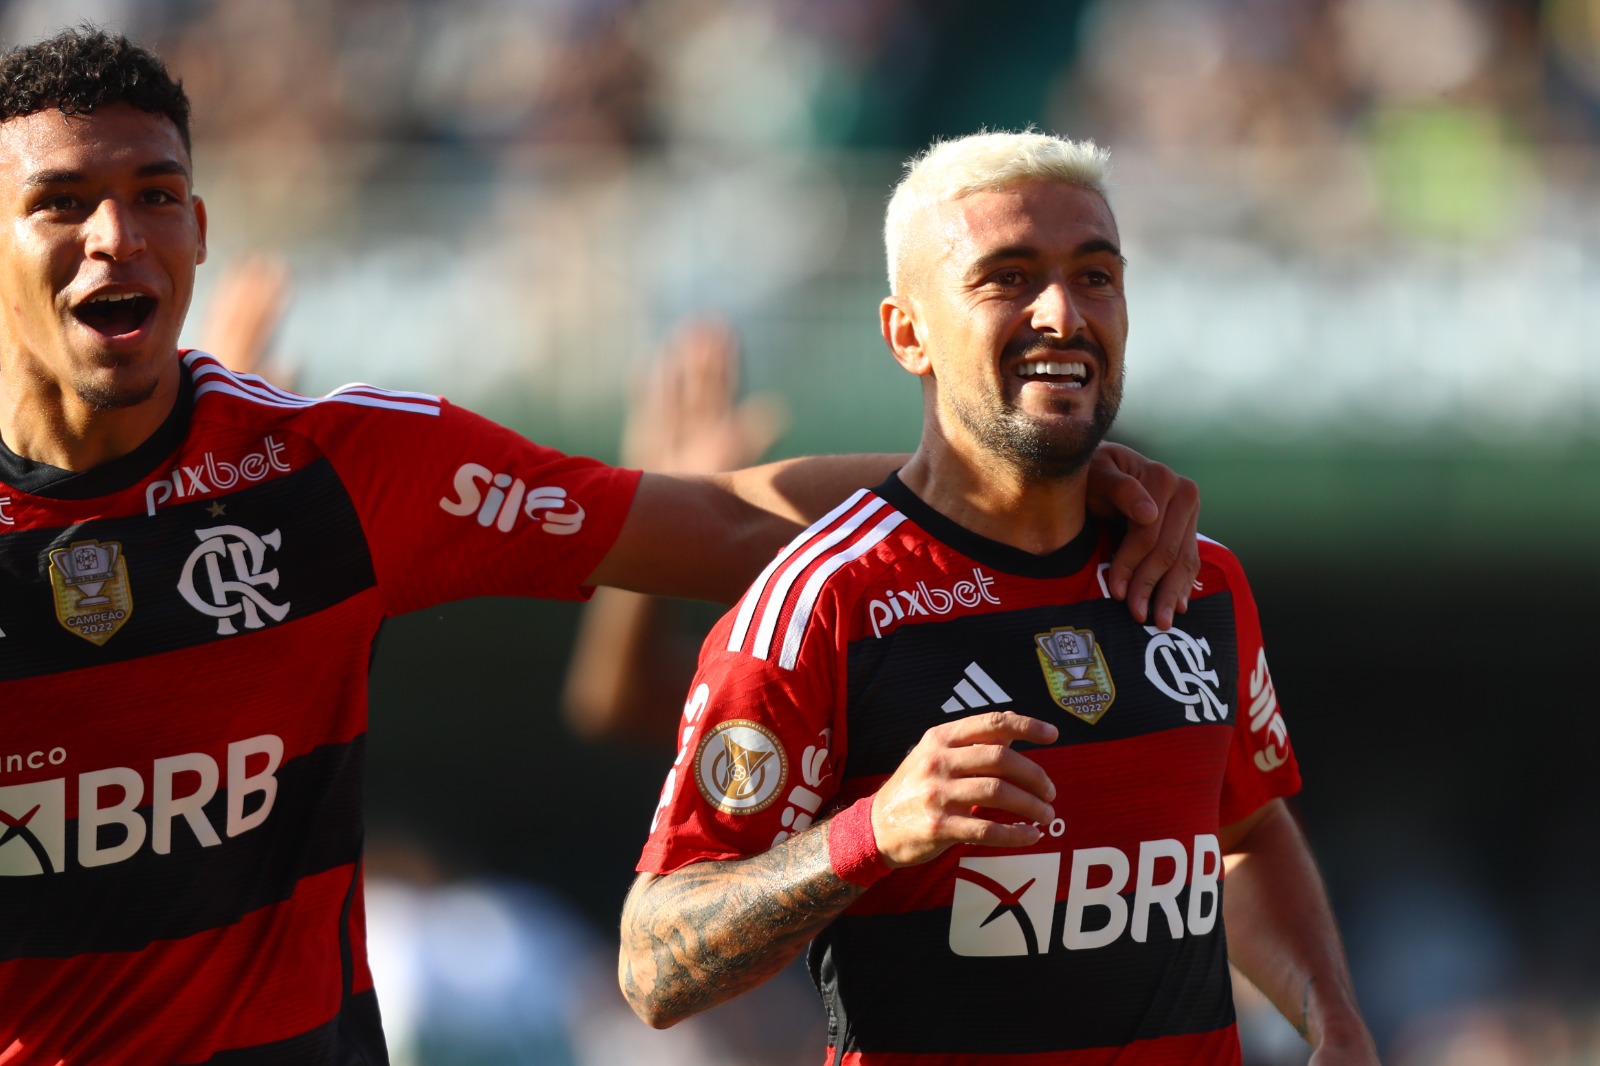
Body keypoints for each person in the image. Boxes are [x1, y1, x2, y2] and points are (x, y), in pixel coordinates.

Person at [0, 29, 1199, 1066]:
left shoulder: (338, 468)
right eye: (62, 201)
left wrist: (1043, 473)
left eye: (156, 193)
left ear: (201, 228)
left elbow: (725, 522)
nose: (117, 235)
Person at [619, 130, 1379, 1065]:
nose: (1062, 312)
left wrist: (1331, 1015)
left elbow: (1249, 829)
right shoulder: (823, 603)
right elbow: (654, 964)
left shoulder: (1196, 577)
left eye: (1095, 275)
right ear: (909, 334)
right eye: (1006, 277)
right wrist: (873, 832)